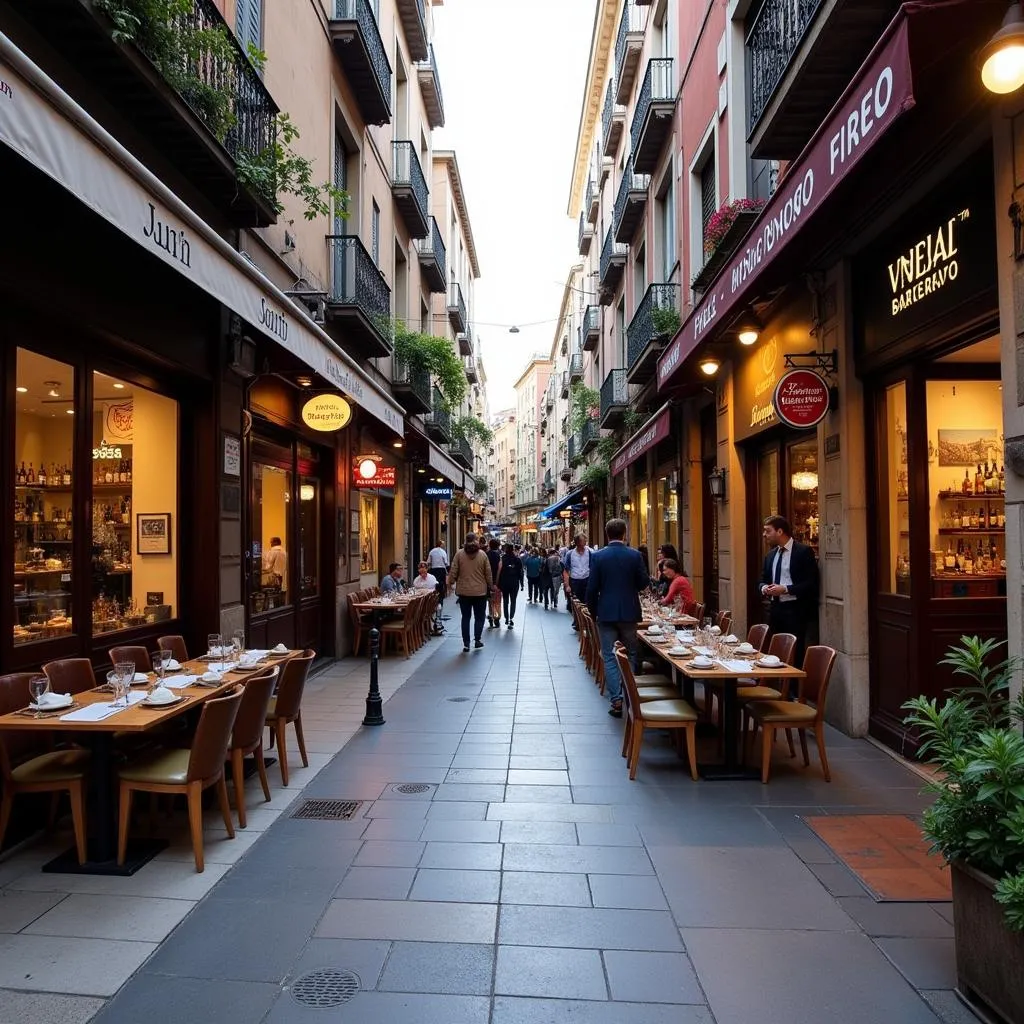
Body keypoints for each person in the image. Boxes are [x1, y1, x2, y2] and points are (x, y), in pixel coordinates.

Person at [586, 519, 650, 717]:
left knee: (609, 656)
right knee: (631, 653)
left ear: (607, 534)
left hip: (606, 613)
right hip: (629, 612)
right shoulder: (635, 555)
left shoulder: (598, 557)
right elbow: (642, 583)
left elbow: (592, 588)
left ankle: (616, 700)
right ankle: (629, 694)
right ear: (625, 534)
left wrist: (594, 612)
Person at [760, 514, 819, 666]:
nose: (764, 534)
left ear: (780, 532)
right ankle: (778, 686)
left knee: (795, 653)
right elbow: (762, 580)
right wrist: (764, 587)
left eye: (768, 531)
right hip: (774, 609)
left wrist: (785, 589)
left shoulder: (803, 552)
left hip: (796, 611)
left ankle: (793, 688)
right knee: (775, 653)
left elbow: (811, 583)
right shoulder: (770, 555)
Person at [448, 532, 493, 652]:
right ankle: (477, 640)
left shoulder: (459, 554)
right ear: (476, 540)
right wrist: (491, 585)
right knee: (479, 617)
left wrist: (451, 582)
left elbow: (453, 570)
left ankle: (466, 643)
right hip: (480, 592)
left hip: (464, 592)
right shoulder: (482, 555)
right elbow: (488, 573)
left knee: (465, 617)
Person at [562, 534, 593, 629]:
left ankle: (587, 622)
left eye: (585, 541)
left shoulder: (591, 552)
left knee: (588, 601)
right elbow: (566, 571)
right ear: (577, 543)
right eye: (582, 541)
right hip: (575, 581)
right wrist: (567, 585)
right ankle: (577, 622)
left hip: (587, 579)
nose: (584, 543)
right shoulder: (570, 554)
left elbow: (594, 568)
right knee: (576, 603)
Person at [498, 543, 524, 627]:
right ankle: (511, 618)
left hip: (505, 583)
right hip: (514, 583)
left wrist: (498, 583)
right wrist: (522, 583)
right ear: (512, 549)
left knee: (505, 601)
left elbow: (500, 572)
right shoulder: (517, 559)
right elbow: (521, 573)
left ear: (506, 549)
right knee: (513, 601)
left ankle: (506, 618)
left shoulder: (503, 559)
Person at [486, 539, 503, 629]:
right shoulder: (498, 556)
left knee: (490, 600)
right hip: (497, 582)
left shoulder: (486, 554)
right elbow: (500, 569)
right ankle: (496, 617)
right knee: (497, 601)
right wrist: (497, 582)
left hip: (487, 582)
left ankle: (490, 615)